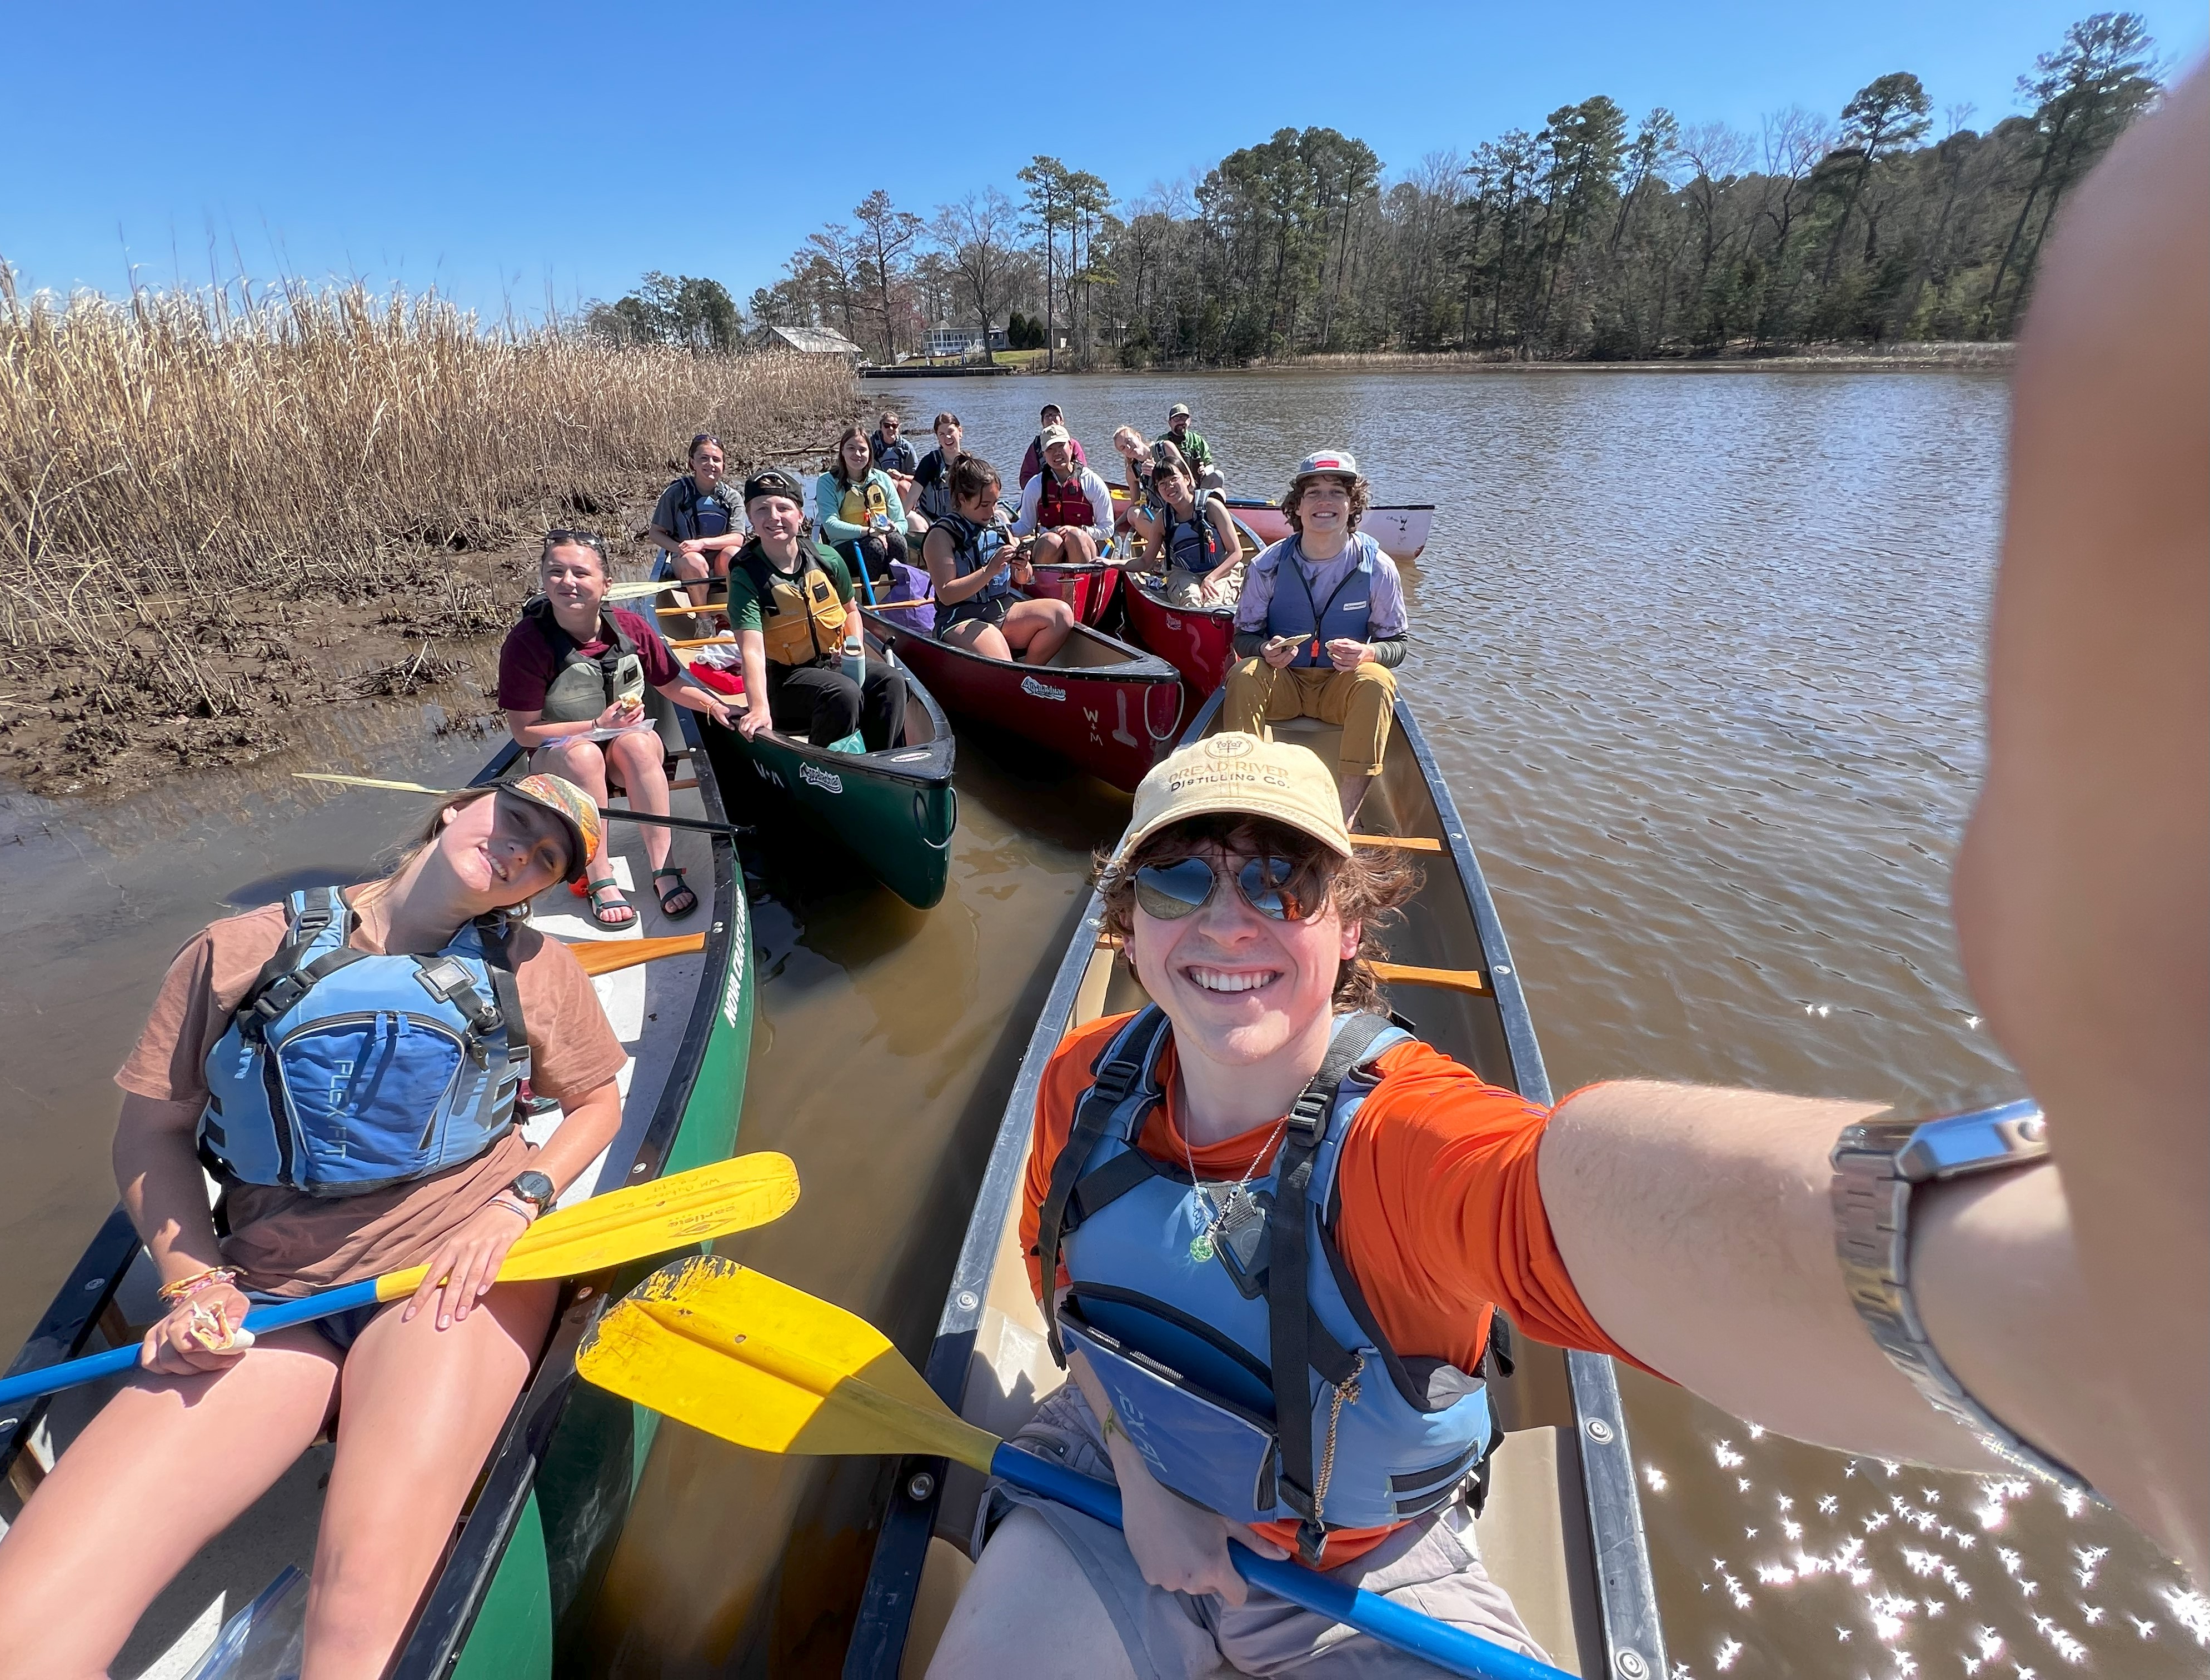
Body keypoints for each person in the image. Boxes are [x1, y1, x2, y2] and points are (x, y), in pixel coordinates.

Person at [929, 68, 2210, 1677]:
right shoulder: (1083, 1088)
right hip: (1111, 1508)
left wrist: (2079, 1310)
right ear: (1127, 923)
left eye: (1282, 880)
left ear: (1347, 924)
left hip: (1361, 1576)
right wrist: (1131, 1471)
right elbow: (1072, 1309)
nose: (1231, 917)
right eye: (1181, 881)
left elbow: (1613, 1206)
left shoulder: (1411, 1142)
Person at [0, 772, 625, 1680]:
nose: (520, 850)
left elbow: (596, 1101)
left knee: (361, 1613)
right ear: (456, 808)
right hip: (270, 1292)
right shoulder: (239, 947)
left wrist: (518, 1202)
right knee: (6, 1637)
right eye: (515, 818)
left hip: (445, 1277)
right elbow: (152, 1132)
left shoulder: (536, 969)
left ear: (541, 886)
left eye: (547, 857)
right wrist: (194, 1279)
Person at [496, 529, 734, 926]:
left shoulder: (630, 627)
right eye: (555, 572)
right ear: (543, 580)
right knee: (584, 756)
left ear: (606, 584)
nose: (568, 582)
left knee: (638, 745)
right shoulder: (527, 643)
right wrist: (595, 726)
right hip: (562, 761)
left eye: (581, 573)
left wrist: (717, 706)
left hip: (625, 752)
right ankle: (598, 875)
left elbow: (671, 685)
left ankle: (664, 867)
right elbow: (524, 733)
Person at [1224, 451, 1406, 822]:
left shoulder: (1379, 568)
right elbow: (1243, 636)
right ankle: (1247, 804)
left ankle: (1344, 816)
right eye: (1314, 494)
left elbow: (1398, 645)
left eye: (1337, 492)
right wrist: (1263, 649)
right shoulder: (1268, 565)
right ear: (1298, 506)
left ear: (1352, 505)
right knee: (1243, 675)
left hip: (1340, 688)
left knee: (1378, 680)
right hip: (1284, 684)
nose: (1325, 502)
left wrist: (1368, 654)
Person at [731, 468, 910, 751]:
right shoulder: (746, 575)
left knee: (892, 681)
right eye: (762, 509)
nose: (774, 517)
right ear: (751, 519)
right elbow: (751, 649)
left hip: (833, 664)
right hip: (784, 682)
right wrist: (759, 707)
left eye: (783, 508)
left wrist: (853, 651)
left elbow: (851, 610)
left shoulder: (827, 559)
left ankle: (883, 762)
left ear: (800, 516)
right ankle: (824, 766)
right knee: (843, 693)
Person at [922, 452, 1075, 665]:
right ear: (962, 499)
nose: (992, 511)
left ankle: (1029, 673)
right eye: (984, 504)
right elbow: (947, 594)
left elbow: (1023, 579)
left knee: (1062, 615)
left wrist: (1023, 567)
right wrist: (989, 571)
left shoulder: (999, 526)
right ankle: (1017, 677)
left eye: (995, 503)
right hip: (961, 617)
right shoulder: (941, 535)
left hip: (1003, 609)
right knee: (1001, 659)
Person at [648, 432, 749, 616]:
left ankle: (735, 613)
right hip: (686, 561)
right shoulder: (676, 493)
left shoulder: (732, 497)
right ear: (692, 463)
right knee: (695, 562)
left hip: (719, 561)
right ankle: (704, 620)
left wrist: (702, 544)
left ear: (723, 465)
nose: (711, 464)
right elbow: (656, 533)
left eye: (716, 460)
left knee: (734, 554)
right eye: (704, 458)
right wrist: (680, 548)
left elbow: (737, 538)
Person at [1134, 458, 1245, 608]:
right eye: (1162, 483)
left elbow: (1236, 553)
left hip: (1221, 570)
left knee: (1214, 606)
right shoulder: (1162, 519)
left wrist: (1211, 578)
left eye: (1174, 479)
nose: (1169, 486)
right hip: (1183, 573)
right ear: (1158, 489)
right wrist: (1112, 563)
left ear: (1187, 479)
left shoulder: (1213, 507)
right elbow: (1145, 561)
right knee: (1191, 602)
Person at [815, 426, 910, 596]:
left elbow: (902, 523)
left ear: (870, 453)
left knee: (898, 541)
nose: (857, 454)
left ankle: (900, 598)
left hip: (883, 541)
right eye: (851, 448)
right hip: (846, 548)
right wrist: (868, 532)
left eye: (862, 449)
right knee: (874, 546)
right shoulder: (827, 482)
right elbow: (831, 526)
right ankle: (867, 602)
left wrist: (892, 528)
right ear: (842, 451)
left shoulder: (883, 479)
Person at [1013, 426, 1116, 568]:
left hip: (1084, 544)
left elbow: (1108, 529)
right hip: (1049, 547)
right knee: (1052, 540)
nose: (1057, 453)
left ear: (1071, 447)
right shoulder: (1035, 485)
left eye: (1061, 446)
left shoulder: (1092, 482)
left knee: (1075, 536)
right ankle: (1046, 580)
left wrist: (1080, 530)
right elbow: (1026, 525)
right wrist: (1006, 529)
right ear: (1044, 454)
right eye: (1050, 449)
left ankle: (1081, 578)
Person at [913, 412, 969, 525]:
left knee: (1000, 514)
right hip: (931, 521)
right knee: (911, 518)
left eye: (951, 431)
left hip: (961, 522)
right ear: (938, 438)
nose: (947, 437)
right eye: (942, 434)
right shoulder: (929, 462)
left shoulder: (969, 464)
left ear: (960, 432)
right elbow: (911, 499)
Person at [1022, 402, 1088, 488]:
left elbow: (1083, 472)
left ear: (1062, 421)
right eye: (1047, 416)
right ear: (1043, 423)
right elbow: (1025, 478)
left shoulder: (1073, 444)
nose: (1051, 418)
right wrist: (1039, 487)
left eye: (1054, 415)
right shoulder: (1036, 447)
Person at [1163, 402, 1213, 476]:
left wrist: (1205, 470)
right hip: (1172, 481)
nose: (1180, 422)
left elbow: (1210, 464)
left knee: (1219, 475)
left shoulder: (1197, 440)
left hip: (1197, 480)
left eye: (1184, 418)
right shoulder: (1163, 441)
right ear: (1170, 423)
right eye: (1176, 419)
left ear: (1189, 421)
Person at [871, 410, 919, 478]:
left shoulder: (907, 448)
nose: (891, 428)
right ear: (881, 427)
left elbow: (916, 478)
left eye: (894, 426)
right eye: (887, 425)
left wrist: (901, 476)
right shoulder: (872, 446)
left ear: (898, 428)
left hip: (902, 481)